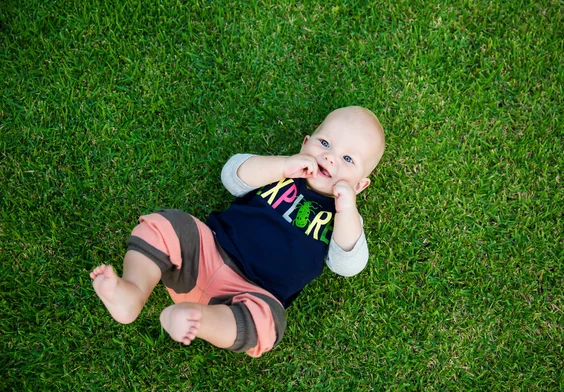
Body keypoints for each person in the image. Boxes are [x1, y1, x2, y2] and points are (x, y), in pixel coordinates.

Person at [90, 106, 385, 357]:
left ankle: (197, 320)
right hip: (207, 253)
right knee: (170, 224)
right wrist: (282, 166)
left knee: (268, 322)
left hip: (251, 294)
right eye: (324, 143)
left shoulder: (342, 217)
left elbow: (348, 264)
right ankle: (132, 291)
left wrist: (347, 211)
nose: (330, 157)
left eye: (348, 160)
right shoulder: (282, 172)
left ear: (360, 184)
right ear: (305, 142)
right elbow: (232, 175)